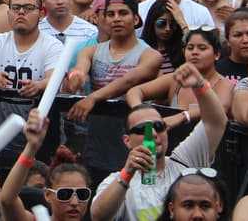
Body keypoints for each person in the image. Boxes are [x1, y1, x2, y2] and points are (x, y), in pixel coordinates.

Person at [91, 63, 229, 221]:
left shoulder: (184, 160)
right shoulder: (116, 180)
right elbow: (98, 216)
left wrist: (199, 85)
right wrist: (127, 174)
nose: (154, 134)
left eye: (159, 126)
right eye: (143, 129)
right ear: (127, 140)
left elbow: (216, 122)